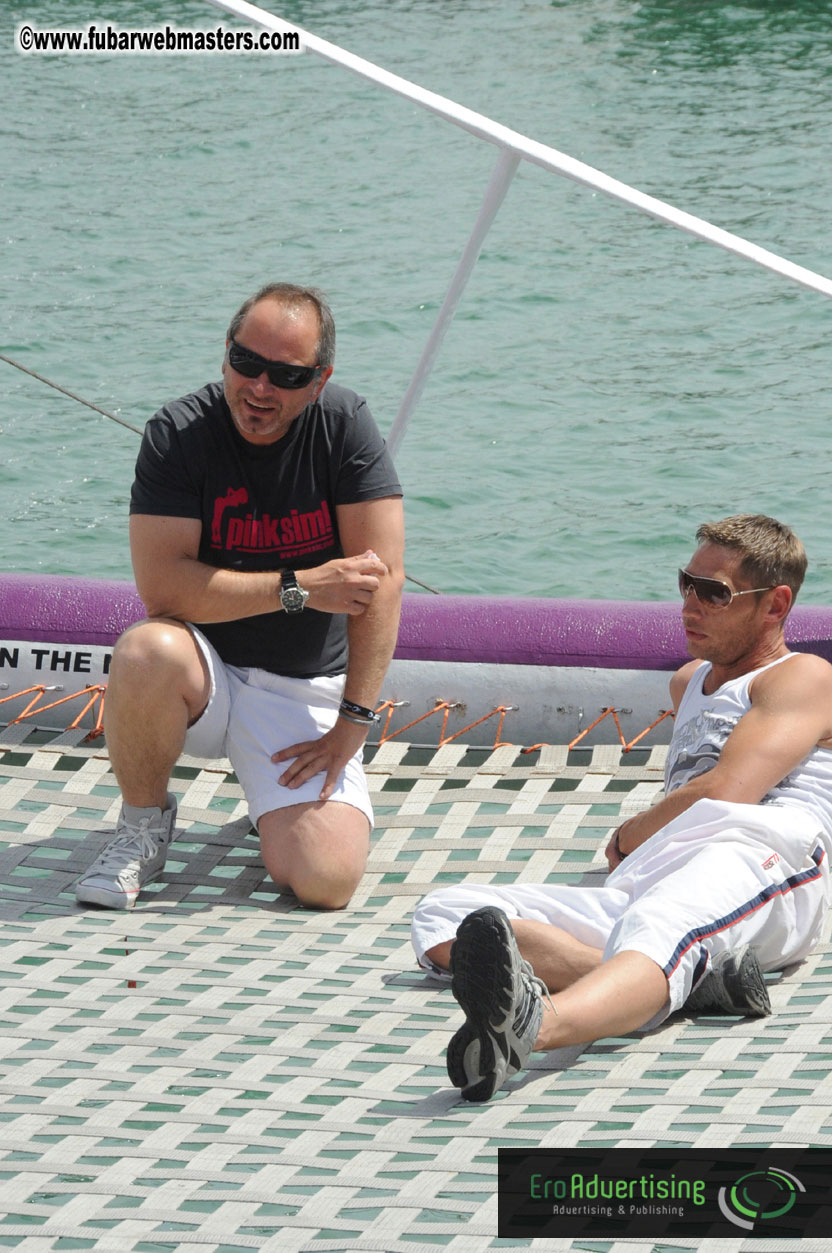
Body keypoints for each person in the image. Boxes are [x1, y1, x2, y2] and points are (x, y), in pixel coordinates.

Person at [411, 514, 832, 1101]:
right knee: (446, 913)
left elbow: (729, 789)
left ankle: (534, 1028)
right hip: (657, 873)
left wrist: (632, 832)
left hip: (759, 853)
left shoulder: (804, 676)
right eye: (686, 583)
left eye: (714, 593)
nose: (690, 604)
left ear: (775, 605)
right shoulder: (690, 682)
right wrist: (643, 845)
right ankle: (687, 986)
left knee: (660, 927)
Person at [76, 282, 404, 911]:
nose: (259, 387)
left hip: (300, 688)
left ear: (319, 380)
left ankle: (268, 807)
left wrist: (353, 723)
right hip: (204, 679)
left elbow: (381, 582)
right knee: (145, 650)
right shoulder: (177, 432)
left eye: (286, 375)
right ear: (225, 351)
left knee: (325, 882)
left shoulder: (344, 426)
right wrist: (300, 588)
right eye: (245, 362)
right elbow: (164, 590)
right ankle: (142, 827)